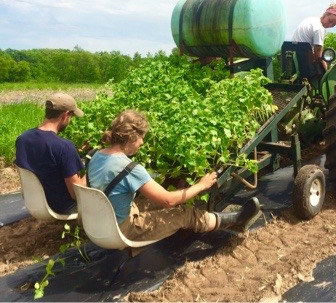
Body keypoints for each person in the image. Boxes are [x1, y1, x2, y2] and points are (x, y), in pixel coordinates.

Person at [86, 109, 260, 242]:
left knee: (152, 203)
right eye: (141, 138)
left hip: (99, 223)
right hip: (121, 229)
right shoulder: (129, 168)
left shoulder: (96, 155)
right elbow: (169, 200)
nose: (143, 142)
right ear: (132, 137)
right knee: (182, 213)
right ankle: (236, 218)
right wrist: (201, 185)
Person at [15, 93, 86, 214]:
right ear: (65, 115)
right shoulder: (64, 146)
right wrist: (88, 168)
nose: (70, 121)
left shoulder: (22, 139)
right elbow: (76, 194)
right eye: (71, 117)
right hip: (63, 207)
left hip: (36, 202)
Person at [292, 3, 336, 71]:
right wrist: (326, 71)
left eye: (334, 24)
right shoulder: (319, 29)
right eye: (330, 21)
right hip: (303, 62)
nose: (330, 25)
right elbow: (318, 56)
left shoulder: (311, 20)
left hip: (293, 56)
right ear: (326, 14)